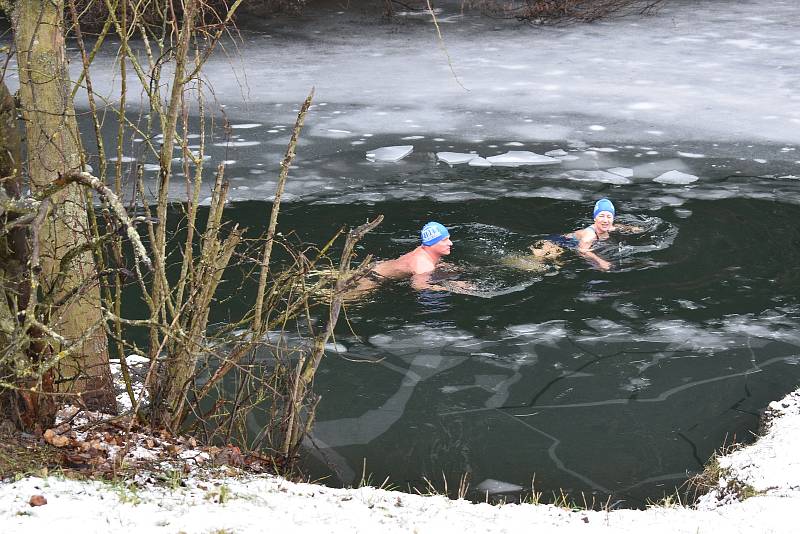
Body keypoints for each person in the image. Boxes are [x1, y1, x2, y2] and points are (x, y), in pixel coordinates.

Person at [529, 198, 642, 271]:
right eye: (601, 216)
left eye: (609, 216)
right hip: (554, 243)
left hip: (564, 243)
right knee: (535, 266)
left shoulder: (609, 227)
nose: (605, 220)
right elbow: (582, 251)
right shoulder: (590, 236)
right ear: (595, 218)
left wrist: (632, 228)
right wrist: (600, 262)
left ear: (612, 218)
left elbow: (617, 226)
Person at [369, 221, 456, 290]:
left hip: (376, 268)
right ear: (432, 243)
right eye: (444, 240)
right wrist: (448, 288)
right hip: (372, 278)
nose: (450, 243)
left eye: (448, 239)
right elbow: (418, 286)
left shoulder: (423, 249)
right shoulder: (423, 263)